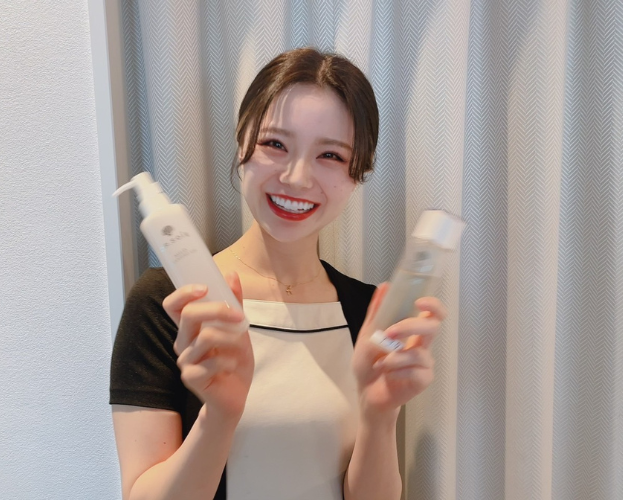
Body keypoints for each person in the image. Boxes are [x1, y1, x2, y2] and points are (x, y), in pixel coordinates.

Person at [109, 47, 446, 500]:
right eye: (275, 144)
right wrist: (218, 417)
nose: (297, 177)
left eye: (330, 155)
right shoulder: (171, 303)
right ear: (242, 144)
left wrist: (380, 414)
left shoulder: (366, 312)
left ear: (357, 175)